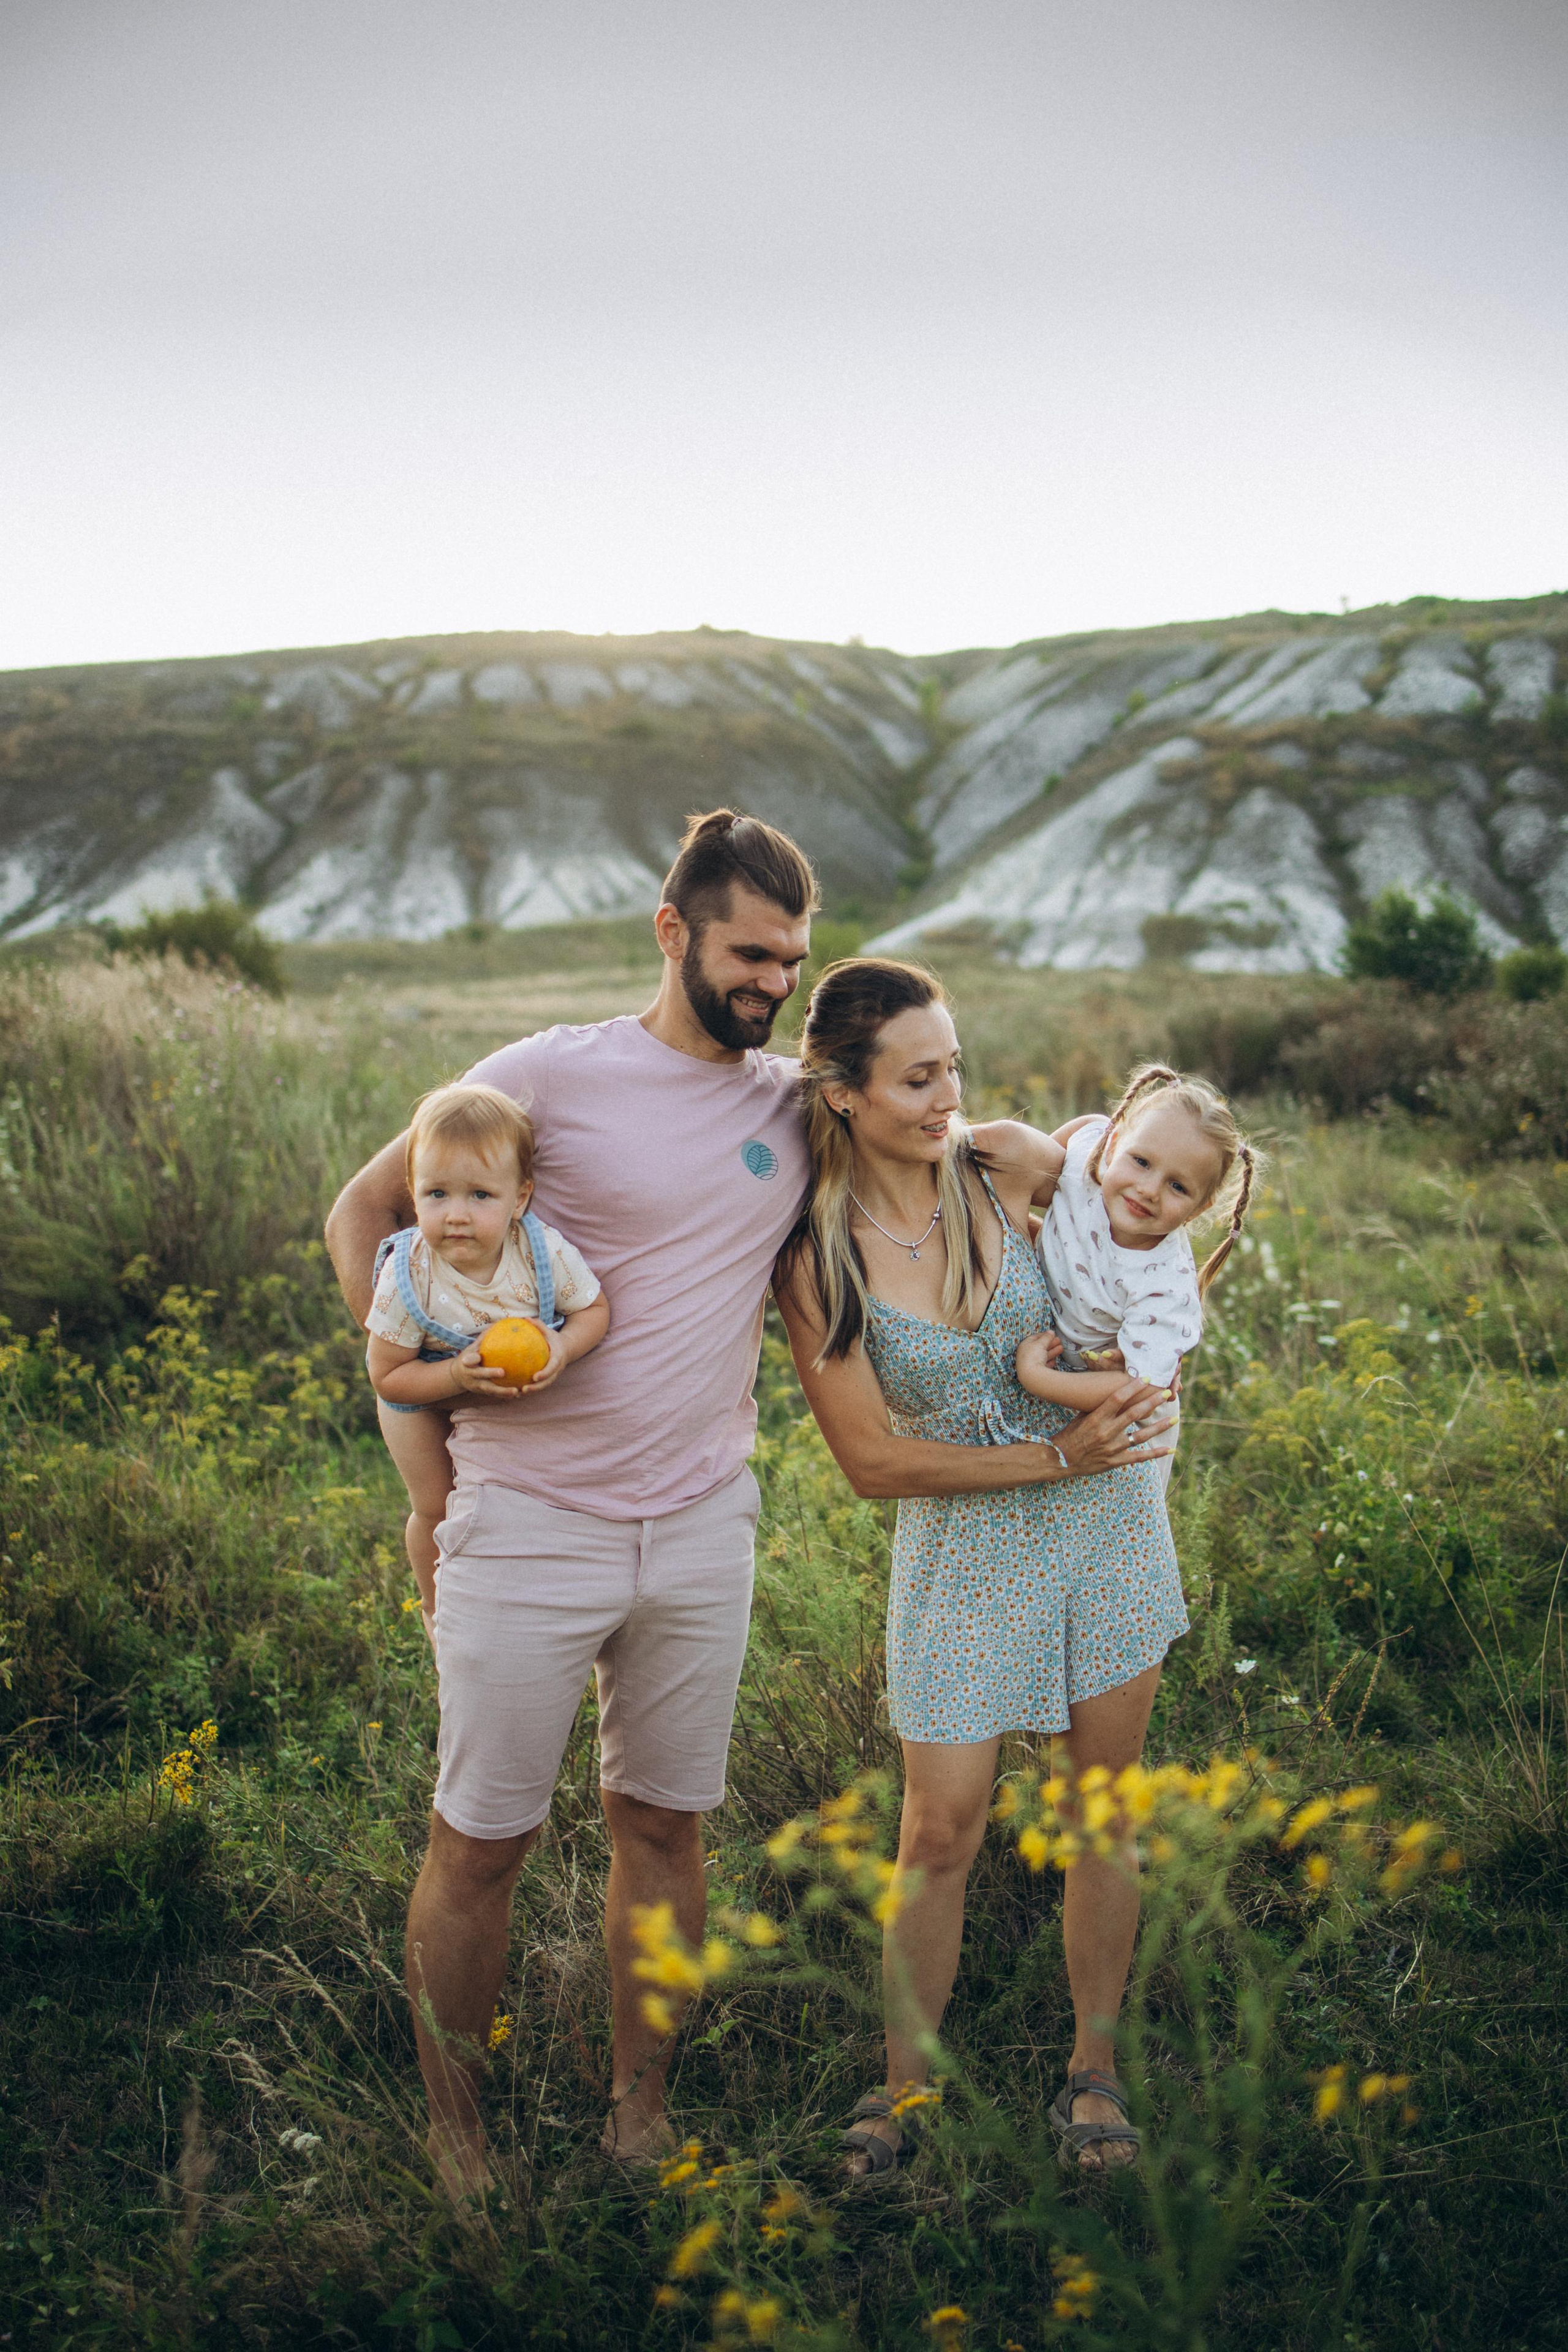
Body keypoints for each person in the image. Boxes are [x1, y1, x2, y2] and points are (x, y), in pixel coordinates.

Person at [325, 808, 816, 2198]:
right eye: (748, 952)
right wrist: (428, 1398)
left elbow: (930, 1120)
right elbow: (362, 1215)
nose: (772, 981)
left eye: (791, 958)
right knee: (481, 1839)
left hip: (704, 1525)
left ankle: (637, 2117)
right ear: (672, 933)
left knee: (664, 1827)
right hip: (525, 1523)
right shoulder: (546, 1073)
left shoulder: (788, 1101)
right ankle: (456, 2138)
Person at [773, 959, 1186, 2180]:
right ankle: (904, 2090)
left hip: (1107, 1535)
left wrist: (1154, 1334)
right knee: (939, 1828)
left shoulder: (1004, 1166)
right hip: (961, 1555)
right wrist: (1053, 1453)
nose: (945, 1095)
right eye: (915, 1077)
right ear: (842, 1093)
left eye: (951, 1064)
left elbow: (1149, 1195)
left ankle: (1092, 2071)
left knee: (1097, 1811)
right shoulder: (816, 1260)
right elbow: (870, 1461)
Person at [364, 1082, 609, 1637]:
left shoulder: (539, 1252)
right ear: (412, 1192)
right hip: (419, 1397)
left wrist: (563, 1348)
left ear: (519, 1198)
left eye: (480, 1196)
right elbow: (387, 1376)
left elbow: (594, 1309)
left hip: (504, 1399)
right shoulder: (411, 1276)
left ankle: (531, 1598)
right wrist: (453, 1375)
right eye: (437, 1194)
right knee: (435, 1504)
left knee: (510, 1508)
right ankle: (438, 1614)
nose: (456, 1215)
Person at [978, 1064, 1258, 1485]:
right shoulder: (1086, 1160)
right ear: (1113, 1145)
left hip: (1119, 1423)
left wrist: (1037, 1378)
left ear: (1200, 1210)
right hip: (1052, 1371)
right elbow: (1065, 1145)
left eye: (1178, 1187)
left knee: (1093, 1535)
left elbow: (1138, 1390)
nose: (1148, 1189)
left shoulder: (1164, 1286)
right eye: (1142, 1161)